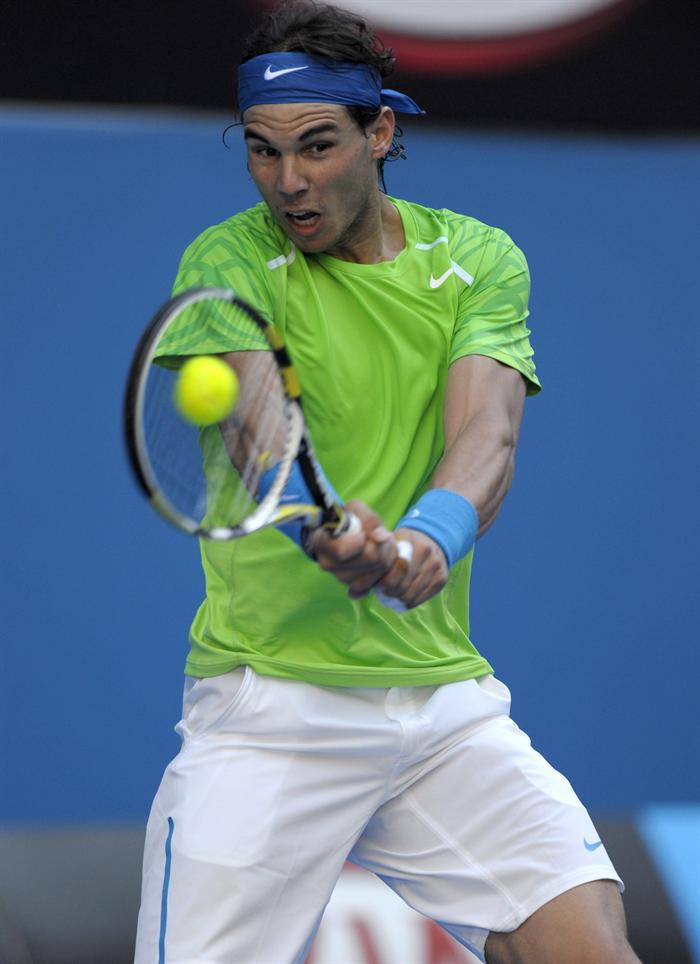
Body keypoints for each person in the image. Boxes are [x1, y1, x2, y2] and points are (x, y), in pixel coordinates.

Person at [134, 3, 641, 962]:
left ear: (379, 132)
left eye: (317, 145)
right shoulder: (229, 257)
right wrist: (320, 524)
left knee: (588, 948)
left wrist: (425, 538)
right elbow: (259, 429)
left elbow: (488, 430)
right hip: (273, 712)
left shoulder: (477, 259)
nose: (288, 180)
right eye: (262, 151)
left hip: (440, 707)